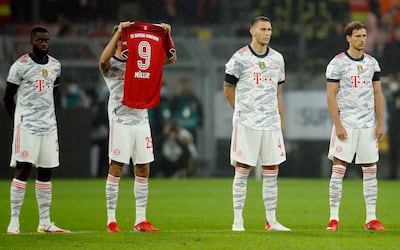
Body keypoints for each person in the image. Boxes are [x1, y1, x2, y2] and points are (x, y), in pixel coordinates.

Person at [99, 21, 176, 233]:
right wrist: (117, 33)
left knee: (143, 167)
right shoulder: (112, 65)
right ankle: (111, 220)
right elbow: (102, 60)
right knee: (116, 167)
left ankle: (140, 220)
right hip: (120, 120)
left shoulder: (143, 62)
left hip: (141, 120)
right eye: (122, 39)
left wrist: (167, 35)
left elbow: (171, 58)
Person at [223, 16, 290, 232]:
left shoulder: (278, 59)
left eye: (269, 29)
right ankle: (238, 220)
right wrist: (242, 112)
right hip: (247, 123)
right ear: (252, 31)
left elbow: (277, 89)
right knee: (243, 169)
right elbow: (227, 89)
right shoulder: (239, 59)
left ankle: (271, 221)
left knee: (272, 169)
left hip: (270, 123)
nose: (267, 33)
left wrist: (273, 113)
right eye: (262, 29)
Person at [3, 26, 70, 234]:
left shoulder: (56, 66)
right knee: (23, 169)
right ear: (31, 41)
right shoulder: (20, 66)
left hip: (48, 127)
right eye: (41, 41)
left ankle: (45, 222)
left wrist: (52, 116)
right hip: (27, 126)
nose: (45, 44)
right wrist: (17, 121)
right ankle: (14, 221)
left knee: (46, 172)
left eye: (47, 41)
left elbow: (55, 92)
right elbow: (7, 97)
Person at [325, 21, 387, 231]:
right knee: (339, 169)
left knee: (370, 170)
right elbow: (331, 95)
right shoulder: (337, 63)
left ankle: (371, 219)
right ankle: (334, 218)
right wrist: (338, 124)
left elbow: (378, 93)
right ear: (348, 38)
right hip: (347, 123)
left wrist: (380, 122)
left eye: (364, 35)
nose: (362, 39)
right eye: (358, 36)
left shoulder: (372, 63)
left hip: (368, 125)